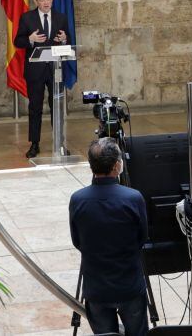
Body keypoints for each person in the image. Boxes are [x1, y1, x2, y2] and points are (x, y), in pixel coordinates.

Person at [68, 138, 148, 336]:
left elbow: (77, 241)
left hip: (97, 287)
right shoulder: (133, 198)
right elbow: (142, 238)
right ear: (116, 166)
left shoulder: (78, 199)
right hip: (129, 285)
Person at [14, 0, 69, 158]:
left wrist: (64, 39)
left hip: (55, 70)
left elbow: (69, 40)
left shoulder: (61, 17)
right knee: (35, 107)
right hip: (35, 71)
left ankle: (59, 143)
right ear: (36, 2)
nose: (46, 3)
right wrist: (30, 39)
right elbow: (18, 41)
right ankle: (34, 144)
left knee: (57, 108)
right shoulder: (27, 18)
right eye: (42, 0)